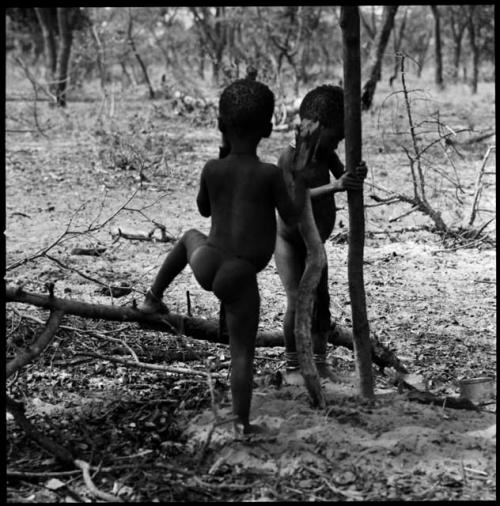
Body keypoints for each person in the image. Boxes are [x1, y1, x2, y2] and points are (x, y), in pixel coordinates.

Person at [140, 79, 312, 434]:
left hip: (207, 261)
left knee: (188, 236)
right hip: (238, 274)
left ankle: (153, 298)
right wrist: (300, 177)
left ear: (221, 126)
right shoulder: (269, 175)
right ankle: (242, 423)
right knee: (242, 354)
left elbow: (203, 211)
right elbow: (293, 216)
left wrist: (220, 156)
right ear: (267, 128)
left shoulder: (212, 168)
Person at [274, 84, 367, 385]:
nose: (339, 142)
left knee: (320, 302)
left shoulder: (325, 153)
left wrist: (355, 173)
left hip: (317, 244)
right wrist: (335, 186)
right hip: (289, 241)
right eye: (337, 135)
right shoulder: (288, 158)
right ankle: (292, 368)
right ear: (318, 127)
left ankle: (319, 361)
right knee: (296, 301)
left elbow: (345, 172)